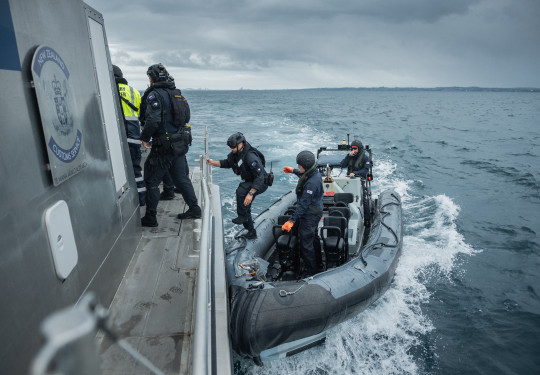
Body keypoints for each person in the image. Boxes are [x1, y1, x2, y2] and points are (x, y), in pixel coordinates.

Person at [139, 63, 201, 227]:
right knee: (180, 178)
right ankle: (194, 208)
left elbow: (152, 120)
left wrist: (145, 138)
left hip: (163, 146)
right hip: (179, 142)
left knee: (151, 181)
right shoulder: (176, 93)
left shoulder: (155, 95)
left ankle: (151, 217)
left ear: (152, 78)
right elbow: (186, 117)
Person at [206, 132, 268, 239]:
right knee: (244, 200)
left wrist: (251, 193)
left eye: (233, 147)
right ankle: (250, 229)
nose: (231, 149)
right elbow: (227, 163)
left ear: (241, 144)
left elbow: (260, 176)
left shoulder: (250, 157)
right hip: (251, 180)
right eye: (230, 147)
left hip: (260, 182)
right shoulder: (237, 154)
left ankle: (243, 217)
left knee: (242, 192)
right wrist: (212, 162)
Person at [282, 150, 323, 276]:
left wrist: (291, 220)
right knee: (314, 238)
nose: (298, 167)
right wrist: (293, 171)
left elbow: (303, 205)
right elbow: (304, 175)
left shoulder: (311, 184)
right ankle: (319, 263)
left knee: (306, 243)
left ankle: (312, 272)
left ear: (306, 166)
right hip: (315, 211)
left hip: (310, 214)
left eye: (299, 166)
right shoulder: (314, 172)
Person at [112, 65, 146, 206]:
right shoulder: (134, 91)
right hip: (134, 137)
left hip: (119, 138)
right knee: (136, 169)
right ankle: (141, 199)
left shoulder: (110, 91)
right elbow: (141, 115)